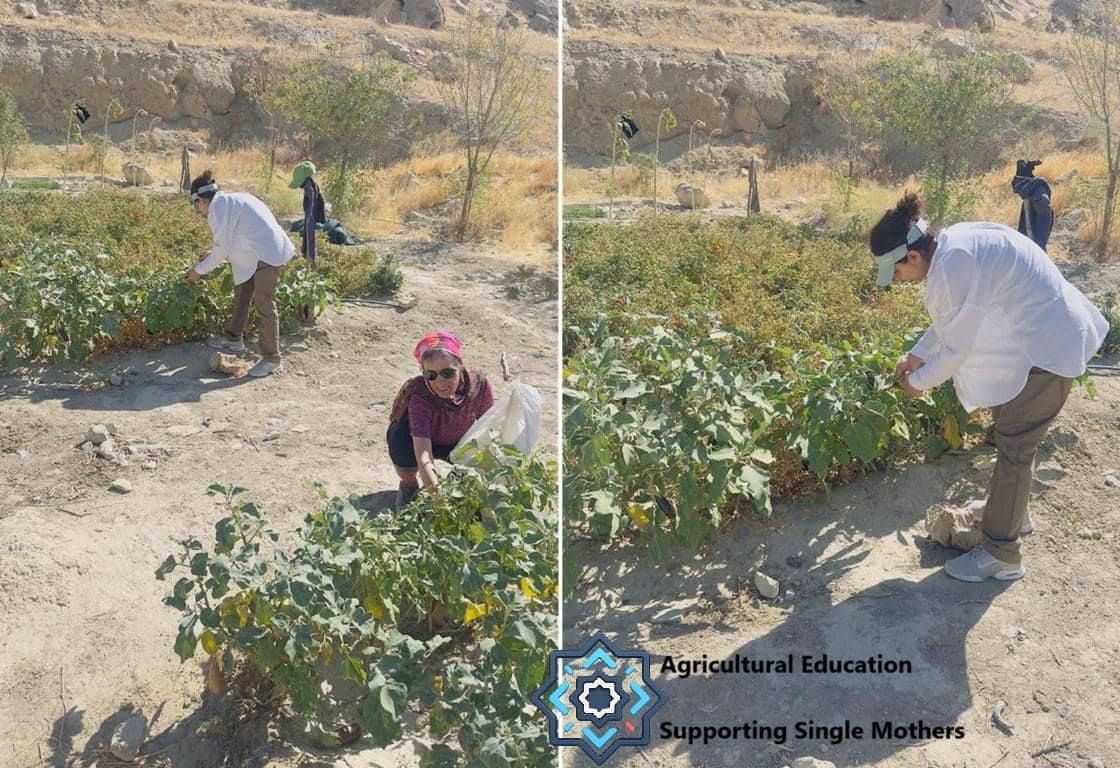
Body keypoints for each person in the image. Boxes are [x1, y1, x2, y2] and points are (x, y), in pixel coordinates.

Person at [870, 192, 1108, 583]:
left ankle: (1001, 555)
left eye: (896, 274)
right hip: (1036, 343)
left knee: (1015, 446)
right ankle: (1011, 512)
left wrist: (917, 383)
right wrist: (917, 355)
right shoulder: (955, 244)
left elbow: (957, 348)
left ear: (912, 257)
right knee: (1012, 437)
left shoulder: (954, 265)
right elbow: (956, 319)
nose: (898, 282)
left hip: (1045, 353)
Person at [185, 170, 295, 378]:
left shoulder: (217, 209)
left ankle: (272, 359)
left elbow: (222, 249)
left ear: (201, 200)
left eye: (196, 205)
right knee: (243, 291)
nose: (198, 210)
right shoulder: (231, 200)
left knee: (264, 303)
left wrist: (197, 271)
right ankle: (234, 339)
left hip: (267, 255)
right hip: (259, 251)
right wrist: (213, 252)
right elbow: (232, 238)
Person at [387, 331, 495, 507]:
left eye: (448, 373)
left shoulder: (479, 386)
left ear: (460, 366)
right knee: (398, 434)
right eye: (431, 375)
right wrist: (440, 502)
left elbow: (489, 428)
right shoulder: (420, 396)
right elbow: (423, 455)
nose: (440, 382)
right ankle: (409, 485)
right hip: (424, 441)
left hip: (460, 444)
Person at [289, 160, 325, 262]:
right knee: (307, 235)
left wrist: (309, 217)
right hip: (309, 215)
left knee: (309, 237)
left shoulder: (309, 187)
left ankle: (310, 258)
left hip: (311, 215)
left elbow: (312, 203)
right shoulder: (310, 183)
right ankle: (307, 256)